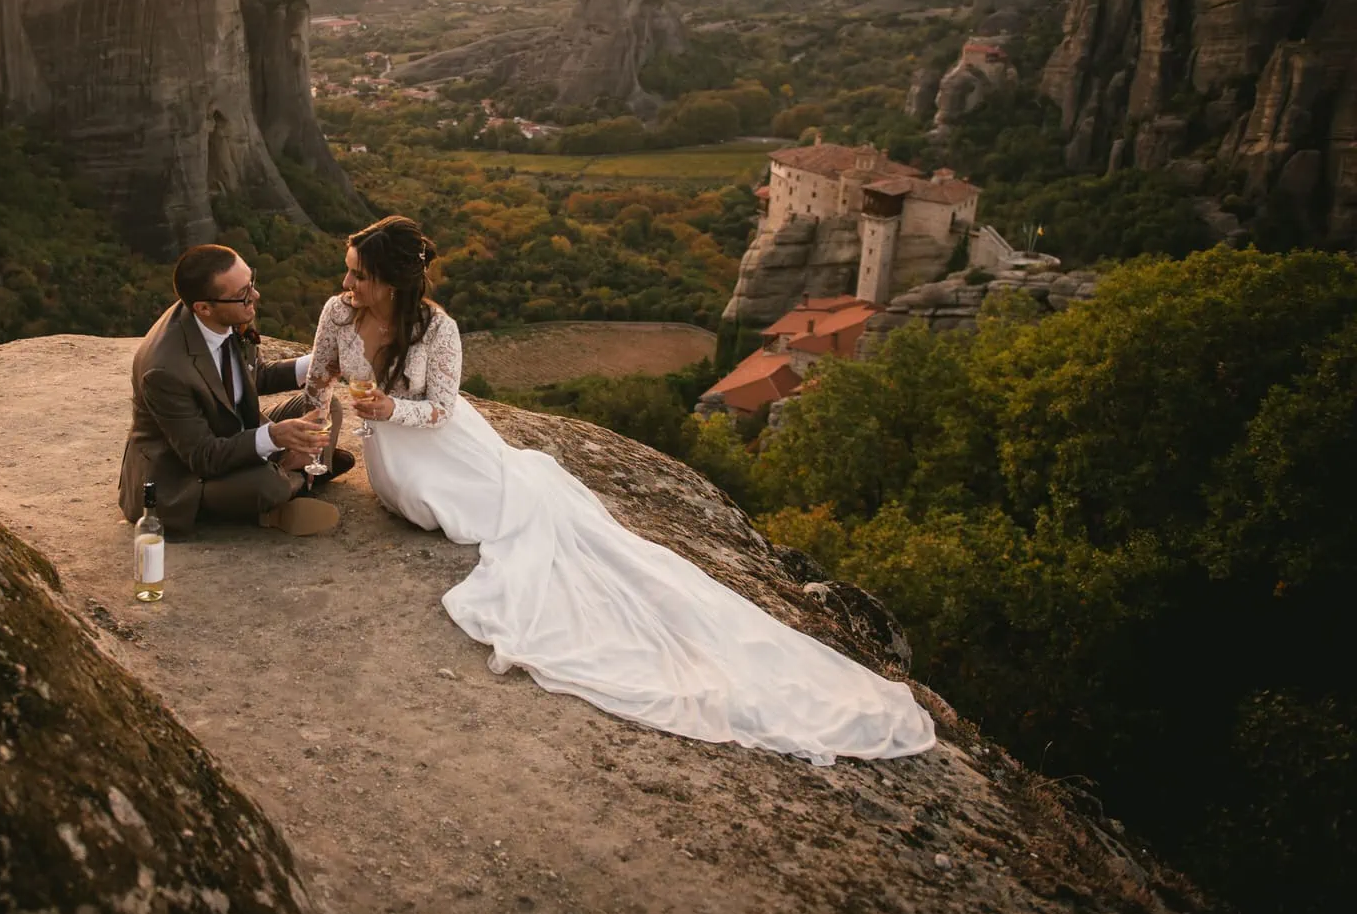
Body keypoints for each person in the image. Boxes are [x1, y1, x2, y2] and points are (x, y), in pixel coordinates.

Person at [308, 215, 937, 764]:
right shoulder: (337, 313)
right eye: (348, 273)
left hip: (442, 445)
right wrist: (299, 423)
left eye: (357, 276)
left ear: (390, 283)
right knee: (415, 502)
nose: (346, 286)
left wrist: (394, 410)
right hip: (390, 453)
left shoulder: (438, 330)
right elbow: (323, 372)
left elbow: (443, 406)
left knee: (476, 517)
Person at [118, 244, 353, 537]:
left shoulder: (227, 312)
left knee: (327, 408)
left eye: (250, 283)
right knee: (268, 484)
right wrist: (276, 437)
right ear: (204, 307)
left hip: (229, 429)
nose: (254, 296)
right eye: (244, 293)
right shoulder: (165, 371)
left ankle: (288, 474)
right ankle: (282, 490)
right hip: (183, 472)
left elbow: (254, 376)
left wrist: (321, 364)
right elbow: (203, 457)